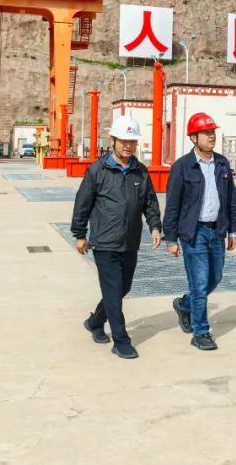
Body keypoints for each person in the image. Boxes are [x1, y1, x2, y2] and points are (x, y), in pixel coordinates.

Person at [71, 117, 162, 359]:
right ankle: (121, 340)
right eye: (123, 141)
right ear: (112, 140)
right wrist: (80, 234)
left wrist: (155, 226)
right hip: (104, 242)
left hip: (130, 241)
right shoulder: (97, 170)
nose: (128, 146)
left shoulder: (140, 171)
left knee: (123, 287)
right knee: (112, 290)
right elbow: (82, 203)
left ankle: (95, 322)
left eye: (132, 141)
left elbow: (150, 202)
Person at [161, 112, 236, 351]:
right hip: (193, 233)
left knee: (215, 278)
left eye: (212, 132)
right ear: (193, 137)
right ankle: (201, 332)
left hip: (217, 231)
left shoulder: (222, 163)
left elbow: (231, 199)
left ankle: (184, 305)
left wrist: (233, 230)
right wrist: (170, 238)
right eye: (206, 133)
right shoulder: (182, 166)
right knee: (199, 282)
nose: (211, 136)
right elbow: (173, 204)